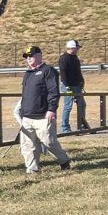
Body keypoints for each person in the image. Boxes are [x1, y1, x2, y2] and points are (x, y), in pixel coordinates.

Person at [18, 47, 72, 175]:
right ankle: (32, 170)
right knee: (27, 145)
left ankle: (64, 161)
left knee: (49, 141)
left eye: (31, 55)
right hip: (27, 116)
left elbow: (53, 92)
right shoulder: (28, 74)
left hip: (43, 115)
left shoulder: (48, 71)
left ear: (39, 55)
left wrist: (51, 109)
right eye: (26, 57)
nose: (28, 59)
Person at [57, 40, 90, 133]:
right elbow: (63, 73)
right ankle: (65, 128)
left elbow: (78, 71)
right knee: (68, 106)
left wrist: (81, 81)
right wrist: (67, 86)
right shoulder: (63, 58)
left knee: (82, 105)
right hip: (68, 85)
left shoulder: (75, 58)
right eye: (76, 48)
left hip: (76, 85)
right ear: (72, 48)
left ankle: (82, 125)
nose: (77, 50)